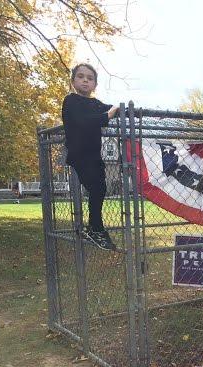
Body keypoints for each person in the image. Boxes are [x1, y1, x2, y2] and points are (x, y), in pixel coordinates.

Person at [61, 63, 119, 250]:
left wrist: (124, 109)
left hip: (94, 155)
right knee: (96, 187)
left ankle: (94, 228)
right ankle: (96, 228)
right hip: (80, 154)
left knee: (100, 189)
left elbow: (111, 109)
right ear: (73, 81)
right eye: (80, 76)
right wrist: (107, 116)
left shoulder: (95, 104)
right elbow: (82, 122)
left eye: (90, 78)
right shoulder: (71, 101)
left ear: (95, 84)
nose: (85, 80)